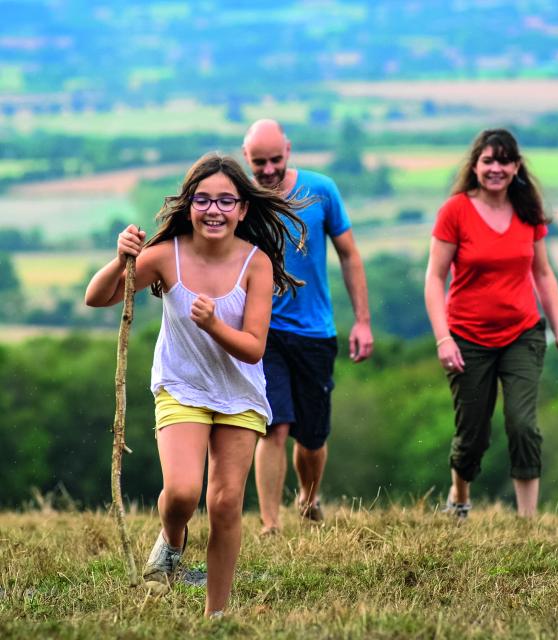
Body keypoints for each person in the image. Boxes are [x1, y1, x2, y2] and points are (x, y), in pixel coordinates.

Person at [85, 153, 306, 616]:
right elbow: (98, 297)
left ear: (243, 209)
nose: (214, 210)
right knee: (183, 492)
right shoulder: (168, 256)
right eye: (203, 199)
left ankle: (216, 614)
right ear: (189, 206)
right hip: (181, 386)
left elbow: (253, 348)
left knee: (225, 504)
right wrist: (121, 259)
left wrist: (212, 326)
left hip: (240, 394)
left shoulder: (256, 263)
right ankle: (172, 536)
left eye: (226, 201)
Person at [424, 128, 558, 519]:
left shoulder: (527, 211)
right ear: (475, 165)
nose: (496, 168)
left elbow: (543, 274)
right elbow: (433, 278)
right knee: (473, 434)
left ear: (516, 167)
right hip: (467, 338)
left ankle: (527, 521)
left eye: (504, 160)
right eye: (488, 160)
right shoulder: (455, 211)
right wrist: (444, 339)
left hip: (523, 334)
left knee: (523, 424)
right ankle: (459, 498)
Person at [242, 119, 374, 534]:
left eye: (275, 160)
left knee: (312, 438)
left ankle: (308, 496)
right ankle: (269, 523)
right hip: (264, 332)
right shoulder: (240, 201)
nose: (267, 169)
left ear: (289, 151)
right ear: (246, 158)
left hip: (315, 330)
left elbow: (349, 254)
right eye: (258, 162)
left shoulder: (322, 190)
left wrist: (363, 322)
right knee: (274, 425)